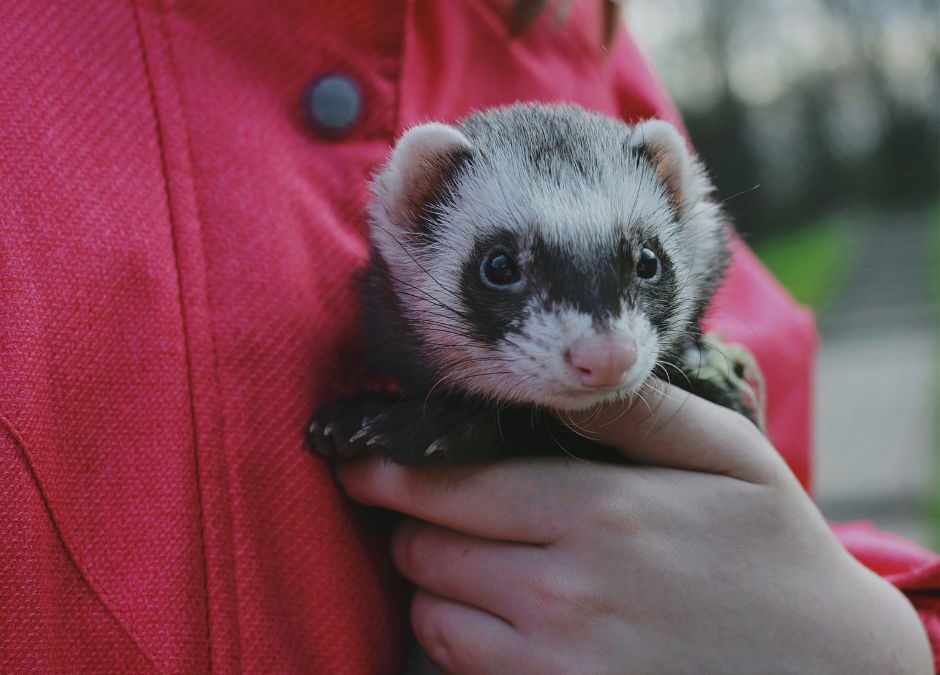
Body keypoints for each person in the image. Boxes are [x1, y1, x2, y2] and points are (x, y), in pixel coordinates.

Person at [0, 0, 936, 672]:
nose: (602, 345)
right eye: (502, 272)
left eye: (644, 268)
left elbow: (795, 536)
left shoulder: (574, 30)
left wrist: (882, 648)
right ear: (412, 224)